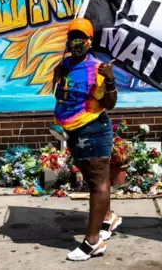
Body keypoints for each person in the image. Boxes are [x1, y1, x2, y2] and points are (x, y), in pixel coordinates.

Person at [52, 18, 122, 261]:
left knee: (97, 184)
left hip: (93, 131)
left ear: (90, 41)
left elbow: (109, 104)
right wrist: (58, 74)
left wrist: (110, 80)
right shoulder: (66, 63)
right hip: (74, 131)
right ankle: (108, 218)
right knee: (94, 177)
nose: (76, 42)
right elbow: (64, 94)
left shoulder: (98, 69)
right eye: (73, 37)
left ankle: (93, 242)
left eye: (81, 37)